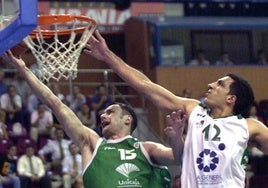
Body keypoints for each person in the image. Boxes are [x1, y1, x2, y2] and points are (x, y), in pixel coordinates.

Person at [84, 30, 268, 187]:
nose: (211, 85)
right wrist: (107, 55)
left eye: (220, 84)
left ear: (231, 98)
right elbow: (145, 85)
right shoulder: (194, 110)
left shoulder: (250, 126)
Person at [5, 51, 180, 188]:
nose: (103, 115)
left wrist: (176, 139)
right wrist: (23, 69)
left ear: (127, 119)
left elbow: (178, 157)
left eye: (110, 112)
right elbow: (55, 103)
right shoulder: (92, 143)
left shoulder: (147, 148)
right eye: (104, 113)